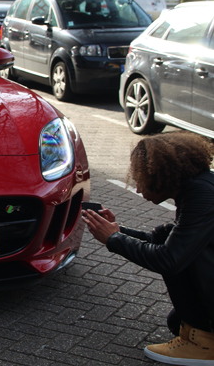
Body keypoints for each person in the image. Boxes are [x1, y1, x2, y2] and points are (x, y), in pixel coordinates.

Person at [82, 131, 214, 365]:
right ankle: (201, 333)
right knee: (177, 322)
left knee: (174, 255)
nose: (139, 190)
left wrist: (114, 240)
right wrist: (117, 231)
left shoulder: (203, 195)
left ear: (159, 175)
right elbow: (165, 242)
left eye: (142, 181)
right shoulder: (198, 187)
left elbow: (169, 259)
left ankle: (205, 344)